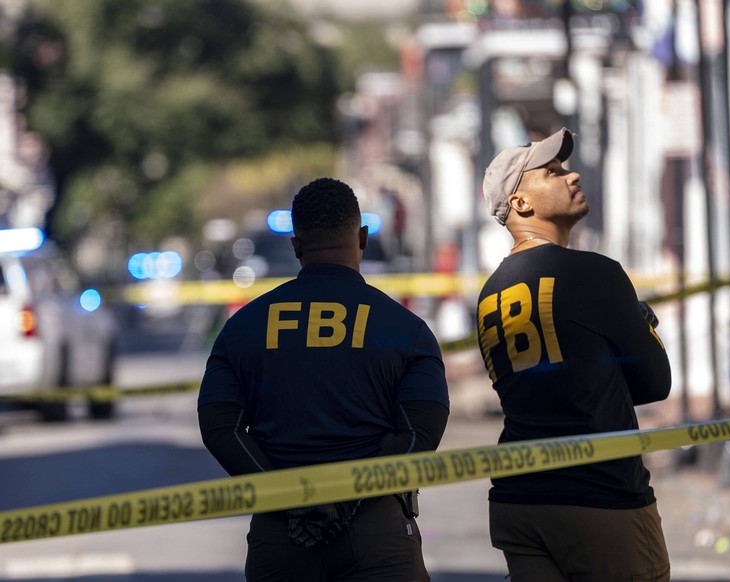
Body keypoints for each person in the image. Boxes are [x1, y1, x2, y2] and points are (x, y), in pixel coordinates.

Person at [198, 177, 450, 582]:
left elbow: (218, 428)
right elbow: (422, 431)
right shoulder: (406, 329)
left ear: (296, 245)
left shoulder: (243, 328)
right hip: (377, 537)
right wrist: (350, 499)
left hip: (283, 536)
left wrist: (288, 498)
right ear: (362, 238)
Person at [476, 127, 672, 581]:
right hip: (599, 496)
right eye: (553, 172)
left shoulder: (490, 293)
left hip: (518, 499)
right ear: (521, 204)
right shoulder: (593, 272)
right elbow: (655, 383)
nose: (572, 175)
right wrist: (641, 321)